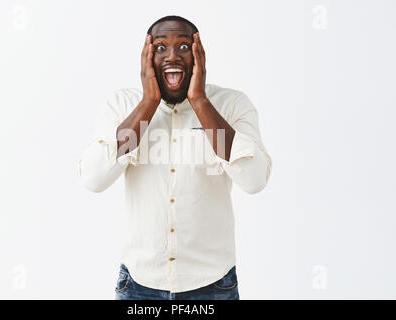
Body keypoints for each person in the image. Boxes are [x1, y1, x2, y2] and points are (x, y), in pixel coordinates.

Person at [78, 15, 272, 300]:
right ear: (146, 56)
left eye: (183, 47)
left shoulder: (232, 105)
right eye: (160, 48)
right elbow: (94, 179)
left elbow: (254, 180)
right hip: (139, 286)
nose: (172, 56)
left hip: (213, 286)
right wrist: (147, 104)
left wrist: (201, 103)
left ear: (199, 55)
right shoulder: (122, 105)